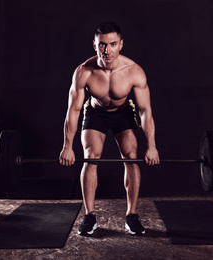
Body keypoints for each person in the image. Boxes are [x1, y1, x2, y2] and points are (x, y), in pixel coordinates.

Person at [59, 22, 159, 236]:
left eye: (112, 44)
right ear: (94, 45)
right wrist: (67, 147)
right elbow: (73, 111)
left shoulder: (134, 72)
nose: (107, 50)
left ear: (121, 44)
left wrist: (152, 146)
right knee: (90, 157)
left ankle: (131, 215)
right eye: (102, 45)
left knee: (131, 157)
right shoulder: (84, 72)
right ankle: (90, 216)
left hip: (123, 113)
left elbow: (145, 111)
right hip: (96, 113)